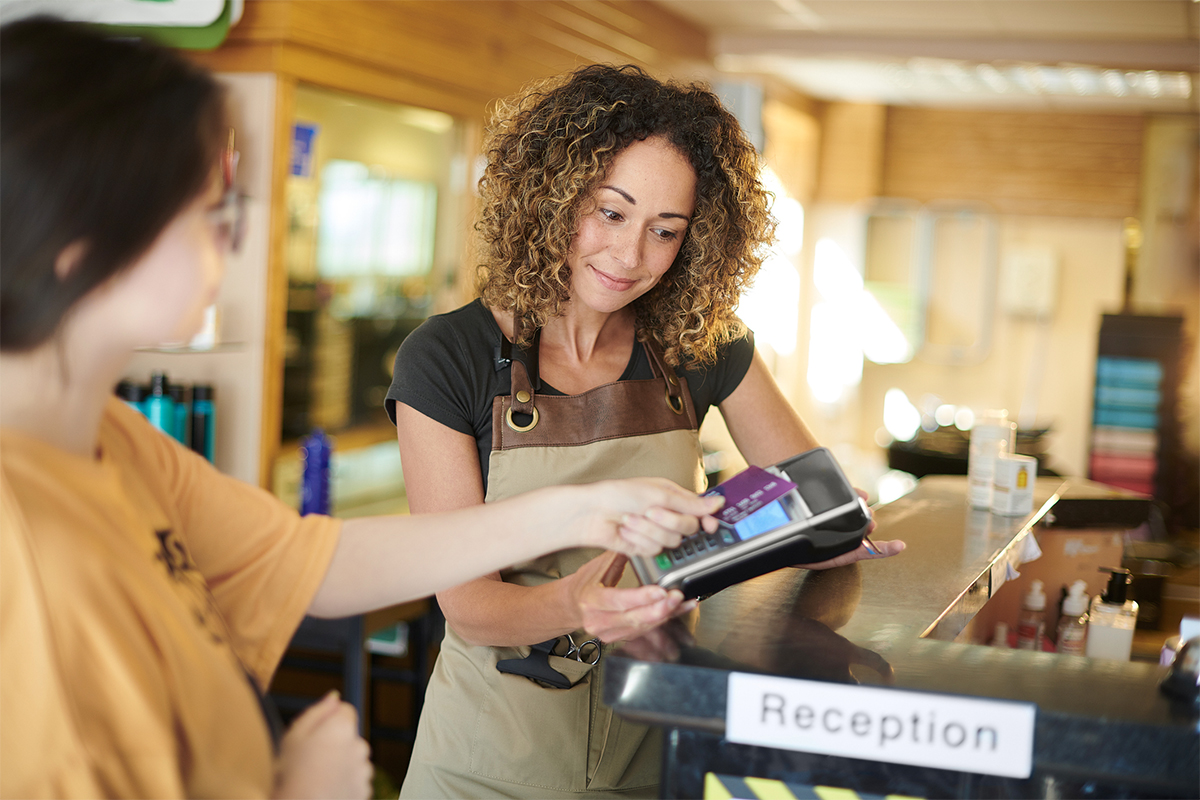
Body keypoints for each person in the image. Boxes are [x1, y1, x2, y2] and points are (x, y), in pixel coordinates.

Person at [0, 19, 724, 799]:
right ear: (80, 247)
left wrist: (585, 513)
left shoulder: (115, 445)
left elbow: (314, 563)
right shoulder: (18, 519)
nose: (235, 245)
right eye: (211, 217)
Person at [387, 63, 905, 798]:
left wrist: (819, 530)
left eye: (665, 231)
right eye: (610, 213)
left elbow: (807, 492)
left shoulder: (702, 346)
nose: (630, 257)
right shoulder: (450, 358)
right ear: (551, 198)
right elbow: (470, 606)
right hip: (486, 763)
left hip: (649, 753)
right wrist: (579, 605)